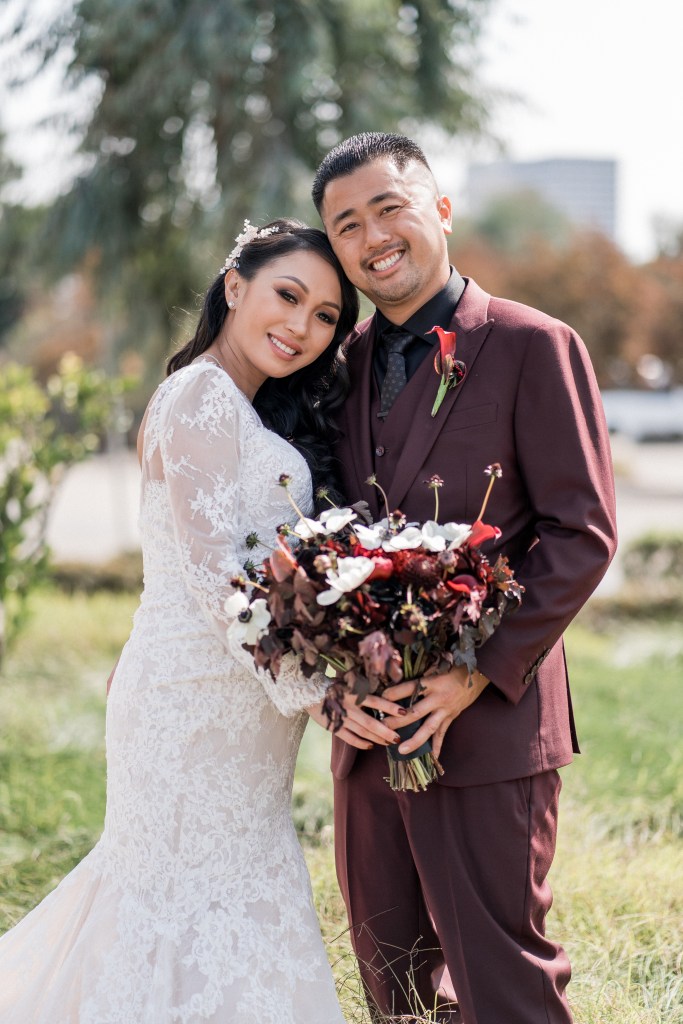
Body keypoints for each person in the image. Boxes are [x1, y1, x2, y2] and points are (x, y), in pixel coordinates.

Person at [0, 217, 404, 1024]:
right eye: (287, 295)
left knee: (220, 901)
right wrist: (319, 694)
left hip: (240, 707)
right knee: (176, 905)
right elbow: (213, 571)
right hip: (190, 706)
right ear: (234, 286)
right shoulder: (201, 395)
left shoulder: (244, 408)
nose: (301, 326)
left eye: (325, 316)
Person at [307, 133, 618, 1024]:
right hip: (368, 734)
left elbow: (581, 533)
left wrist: (472, 672)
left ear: (439, 211)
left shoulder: (533, 344)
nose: (373, 237)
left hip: (489, 727)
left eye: (389, 208)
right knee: (391, 983)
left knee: (501, 981)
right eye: (346, 225)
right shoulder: (335, 367)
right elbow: (311, 540)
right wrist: (334, 688)